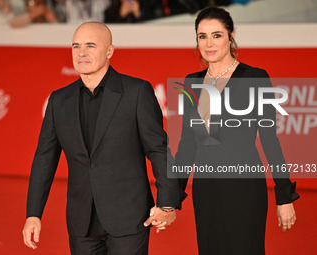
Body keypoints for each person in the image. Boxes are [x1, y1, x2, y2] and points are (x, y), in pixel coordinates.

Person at [22, 21, 185, 255]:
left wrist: (167, 203)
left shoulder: (136, 92)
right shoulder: (59, 100)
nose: (81, 53)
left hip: (129, 217)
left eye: (90, 45)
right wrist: (33, 214)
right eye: (76, 46)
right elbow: (44, 159)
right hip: (81, 221)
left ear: (109, 51)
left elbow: (158, 150)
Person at [174, 7, 299, 255]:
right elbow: (188, 143)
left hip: (244, 186)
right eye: (202, 36)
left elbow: (269, 139)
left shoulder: (255, 77)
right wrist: (171, 196)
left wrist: (284, 195)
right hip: (206, 189)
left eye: (217, 35)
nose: (209, 43)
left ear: (231, 36)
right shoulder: (192, 81)